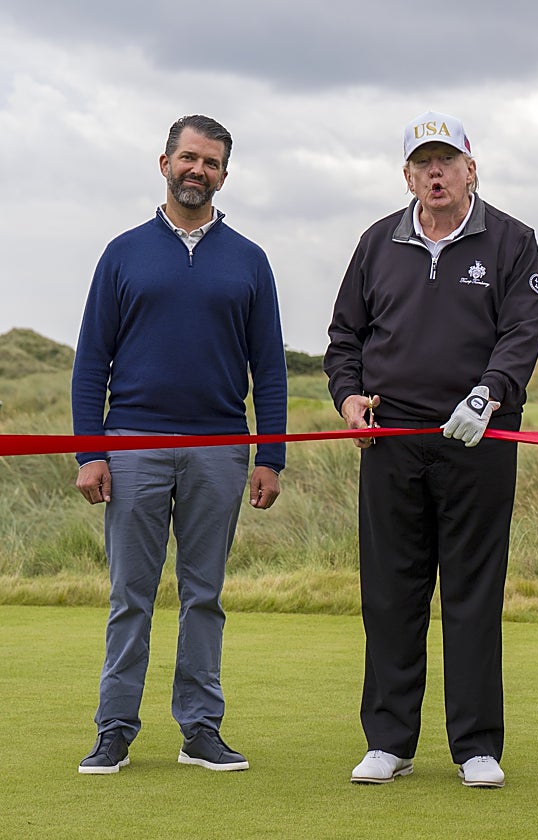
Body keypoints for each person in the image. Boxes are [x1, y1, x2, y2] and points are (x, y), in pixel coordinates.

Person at [325, 110, 538, 790]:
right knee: (391, 592)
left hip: (478, 435)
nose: (436, 173)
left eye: (446, 160)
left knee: (472, 592)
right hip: (392, 438)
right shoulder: (377, 242)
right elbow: (345, 337)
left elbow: (523, 330)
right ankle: (388, 741)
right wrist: (349, 397)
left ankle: (476, 745)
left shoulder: (511, 240)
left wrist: (489, 392)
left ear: (470, 168)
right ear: (407, 175)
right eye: (423, 163)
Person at [71, 115, 288, 774]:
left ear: (224, 174)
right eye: (189, 158)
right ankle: (114, 729)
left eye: (211, 162)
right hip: (132, 444)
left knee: (204, 596)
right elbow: (92, 361)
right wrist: (91, 452)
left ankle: (200, 728)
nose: (199, 170)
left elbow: (269, 368)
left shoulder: (249, 259)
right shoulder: (123, 253)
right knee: (130, 596)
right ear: (165, 163)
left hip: (219, 450)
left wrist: (270, 457)